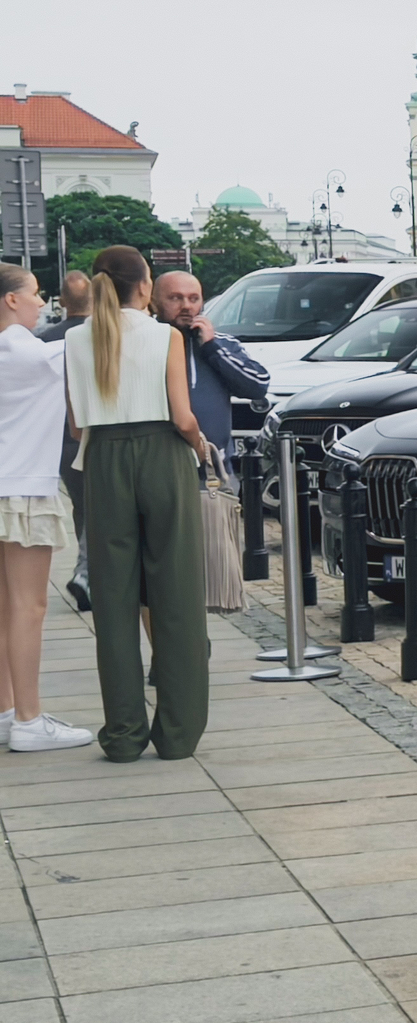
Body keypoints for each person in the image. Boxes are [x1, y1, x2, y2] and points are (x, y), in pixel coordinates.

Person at [66, 247, 212, 763]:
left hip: (103, 460)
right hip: (162, 455)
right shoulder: (165, 336)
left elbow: (77, 426)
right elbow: (183, 416)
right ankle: (177, 733)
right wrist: (200, 448)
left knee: (113, 601)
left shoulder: (75, 339)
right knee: (176, 594)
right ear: (145, 287)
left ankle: (124, 734)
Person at [0, 265, 96, 752]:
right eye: (34, 295)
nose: (43, 304)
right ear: (11, 301)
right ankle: (30, 721)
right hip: (22, 488)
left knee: (4, 609)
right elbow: (88, 346)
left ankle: (6, 711)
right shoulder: (22, 349)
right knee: (29, 607)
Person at [153, 271, 269, 457]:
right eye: (175, 298)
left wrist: (212, 348)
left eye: (194, 299)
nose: (186, 306)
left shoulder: (222, 344)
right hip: (164, 462)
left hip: (215, 464)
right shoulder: (143, 344)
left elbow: (257, 386)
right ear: (154, 302)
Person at [35, 273, 91, 611]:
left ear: (63, 300)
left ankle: (87, 572)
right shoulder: (102, 337)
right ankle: (89, 574)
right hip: (96, 432)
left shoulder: (45, 340)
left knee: (83, 507)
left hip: (62, 439)